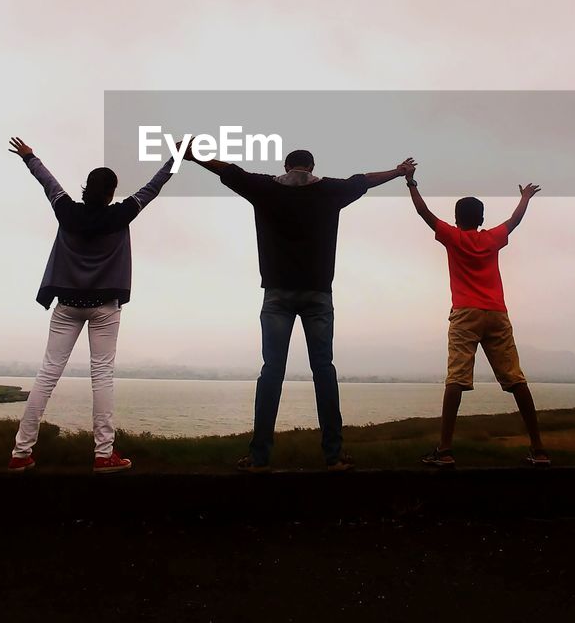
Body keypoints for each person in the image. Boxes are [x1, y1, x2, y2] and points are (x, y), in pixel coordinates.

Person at [185, 145, 415, 472]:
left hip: (277, 294)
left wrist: (194, 156)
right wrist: (398, 171)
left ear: (286, 164)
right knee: (324, 370)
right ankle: (333, 456)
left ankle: (259, 457)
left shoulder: (264, 187)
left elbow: (228, 171)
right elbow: (364, 180)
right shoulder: (330, 190)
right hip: (318, 294)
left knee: (271, 372)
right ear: (312, 165)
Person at [6, 136, 174, 474]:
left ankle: (20, 453)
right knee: (102, 377)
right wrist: (177, 158)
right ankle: (103, 454)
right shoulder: (123, 213)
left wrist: (29, 157)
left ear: (85, 189)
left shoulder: (65, 209)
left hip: (67, 305)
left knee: (47, 375)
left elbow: (48, 181)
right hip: (105, 308)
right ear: (111, 193)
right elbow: (153, 187)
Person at [402, 164, 549, 467]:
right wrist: (525, 198)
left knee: (456, 378)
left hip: (465, 314)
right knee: (516, 380)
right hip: (497, 313)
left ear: (457, 219)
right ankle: (539, 449)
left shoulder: (453, 237)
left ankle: (444, 451)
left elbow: (424, 214)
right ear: (481, 219)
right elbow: (514, 221)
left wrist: (411, 182)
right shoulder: (492, 238)